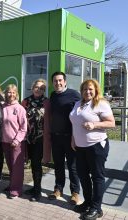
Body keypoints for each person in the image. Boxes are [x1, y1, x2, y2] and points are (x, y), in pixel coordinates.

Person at [70, 79, 115, 220]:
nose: (87, 92)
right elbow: (75, 123)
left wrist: (95, 124)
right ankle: (88, 202)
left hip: (96, 146)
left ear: (96, 90)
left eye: (90, 89)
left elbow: (112, 123)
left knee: (97, 177)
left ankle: (96, 208)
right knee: (83, 176)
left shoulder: (101, 104)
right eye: (84, 89)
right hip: (80, 146)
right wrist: (73, 138)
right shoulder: (78, 104)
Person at [48, 72, 81, 204]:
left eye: (60, 80)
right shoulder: (53, 95)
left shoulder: (74, 95)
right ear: (52, 83)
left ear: (65, 81)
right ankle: (58, 189)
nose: (58, 83)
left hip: (70, 138)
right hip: (56, 137)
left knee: (72, 167)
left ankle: (75, 192)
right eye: (55, 81)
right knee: (58, 165)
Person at [21, 79, 51, 202]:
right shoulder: (26, 101)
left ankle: (37, 191)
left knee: (36, 164)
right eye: (37, 87)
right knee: (31, 164)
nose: (39, 89)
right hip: (27, 138)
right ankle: (34, 188)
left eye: (42, 88)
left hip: (40, 139)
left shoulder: (47, 102)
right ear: (33, 87)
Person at [1, 84, 27, 199]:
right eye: (8, 92)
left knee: (17, 167)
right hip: (5, 142)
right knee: (10, 166)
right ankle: (12, 184)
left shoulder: (19, 108)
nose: (11, 94)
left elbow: (23, 127)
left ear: (16, 94)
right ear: (5, 93)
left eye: (13, 92)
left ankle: (16, 190)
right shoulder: (3, 107)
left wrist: (17, 140)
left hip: (17, 143)